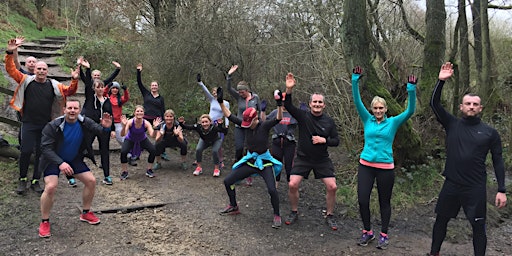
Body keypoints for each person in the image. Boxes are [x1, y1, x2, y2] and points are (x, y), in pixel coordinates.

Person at [427, 62, 507, 256]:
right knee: (441, 221)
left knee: (478, 227)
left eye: (475, 104)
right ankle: (434, 253)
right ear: (461, 106)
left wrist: (501, 190)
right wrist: (441, 82)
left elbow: (498, 160)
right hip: (452, 184)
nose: (471, 107)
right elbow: (434, 104)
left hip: (475, 188)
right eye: (468, 104)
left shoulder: (490, 133)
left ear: (481, 108)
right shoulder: (452, 124)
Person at [351, 66, 417, 249]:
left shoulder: (393, 122)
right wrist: (355, 80)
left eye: (381, 108)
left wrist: (411, 90)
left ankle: (384, 235)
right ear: (372, 109)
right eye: (375, 108)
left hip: (385, 168)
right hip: (366, 165)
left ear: (386, 109)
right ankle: (367, 232)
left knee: (384, 202)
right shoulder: (367, 119)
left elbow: (410, 111)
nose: (378, 110)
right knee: (363, 199)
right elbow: (357, 101)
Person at [5, 38, 79, 194]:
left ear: (47, 71)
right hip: (29, 123)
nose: (41, 71)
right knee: (25, 151)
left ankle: (35, 180)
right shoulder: (26, 80)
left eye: (43, 69)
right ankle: (22, 179)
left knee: (41, 153)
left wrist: (74, 79)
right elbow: (11, 70)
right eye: (38, 69)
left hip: (46, 125)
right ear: (34, 70)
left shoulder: (53, 85)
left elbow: (69, 92)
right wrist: (10, 52)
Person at [38, 98, 112, 238]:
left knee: (91, 181)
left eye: (75, 109)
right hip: (53, 160)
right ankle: (45, 221)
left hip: (73, 158)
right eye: (70, 108)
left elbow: (100, 131)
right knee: (51, 187)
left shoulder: (84, 122)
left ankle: (85, 213)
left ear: (79, 110)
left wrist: (106, 128)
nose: (72, 111)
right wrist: (60, 163)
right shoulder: (53, 126)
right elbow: (45, 148)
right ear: (64, 109)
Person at [217, 87, 284, 229]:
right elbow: (229, 116)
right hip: (251, 160)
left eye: (250, 123)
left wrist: (279, 104)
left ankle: (277, 215)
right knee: (228, 181)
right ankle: (234, 206)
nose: (246, 126)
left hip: (265, 162)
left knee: (272, 189)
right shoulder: (246, 124)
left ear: (256, 118)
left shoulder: (264, 126)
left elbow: (278, 118)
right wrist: (220, 102)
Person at [283, 73, 340, 231]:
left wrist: (325, 140)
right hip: (303, 158)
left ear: (324, 105)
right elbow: (288, 105)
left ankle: (329, 215)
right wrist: (289, 89)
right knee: (292, 184)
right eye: (314, 102)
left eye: (320, 102)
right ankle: (294, 212)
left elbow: (336, 141)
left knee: (332, 187)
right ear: (310, 104)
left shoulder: (329, 122)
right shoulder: (303, 116)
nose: (317, 104)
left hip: (322, 159)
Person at [77, 58, 115, 185]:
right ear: (94, 88)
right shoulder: (90, 98)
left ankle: (107, 176)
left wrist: (112, 129)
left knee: (105, 150)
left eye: (102, 87)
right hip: (90, 126)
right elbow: (87, 83)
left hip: (103, 128)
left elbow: (110, 115)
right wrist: (87, 69)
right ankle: (72, 173)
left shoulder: (107, 100)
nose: (100, 89)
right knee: (83, 148)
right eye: (97, 87)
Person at [226, 65, 261, 185]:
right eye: (239, 92)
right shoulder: (238, 97)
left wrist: (259, 123)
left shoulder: (255, 98)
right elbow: (229, 88)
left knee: (249, 150)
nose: (240, 94)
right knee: (239, 148)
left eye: (242, 92)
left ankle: (248, 174)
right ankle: (237, 170)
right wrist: (229, 75)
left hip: (252, 127)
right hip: (240, 125)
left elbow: (260, 110)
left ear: (247, 90)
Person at [134, 63, 166, 165]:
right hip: (146, 118)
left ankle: (161, 152)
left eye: (155, 85)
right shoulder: (146, 94)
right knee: (139, 134)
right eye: (152, 85)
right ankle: (136, 153)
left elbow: (163, 109)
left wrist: (163, 120)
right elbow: (139, 83)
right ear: (150, 87)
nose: (154, 87)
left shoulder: (161, 98)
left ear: (158, 87)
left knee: (160, 136)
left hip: (157, 119)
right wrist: (139, 71)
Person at [197, 73, 230, 168]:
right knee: (203, 138)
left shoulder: (226, 103)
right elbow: (205, 91)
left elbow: (227, 114)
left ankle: (220, 161)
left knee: (218, 144)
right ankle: (198, 157)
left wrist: (226, 125)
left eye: (216, 92)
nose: (214, 94)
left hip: (218, 124)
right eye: (213, 92)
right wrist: (200, 83)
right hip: (209, 123)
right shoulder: (212, 100)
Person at [119, 105, 157, 179]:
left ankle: (149, 170)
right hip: (130, 139)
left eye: (141, 111)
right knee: (123, 152)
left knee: (153, 150)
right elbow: (122, 134)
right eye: (137, 111)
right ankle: (124, 172)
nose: (139, 113)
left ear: (143, 113)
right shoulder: (130, 122)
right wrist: (124, 126)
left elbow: (153, 135)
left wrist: (155, 128)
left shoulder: (146, 123)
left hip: (142, 139)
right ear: (134, 113)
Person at [268, 101, 298, 184]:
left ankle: (291, 186)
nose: (284, 105)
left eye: (286, 102)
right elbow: (264, 121)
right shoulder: (275, 112)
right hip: (277, 141)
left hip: (289, 143)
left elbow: (304, 122)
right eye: (282, 103)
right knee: (276, 165)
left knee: (289, 166)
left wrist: (304, 112)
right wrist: (262, 111)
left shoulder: (293, 113)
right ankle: (274, 188)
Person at [105, 81, 130, 145]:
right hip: (107, 121)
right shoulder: (107, 97)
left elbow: (126, 98)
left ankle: (128, 151)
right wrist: (107, 86)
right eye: (113, 88)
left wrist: (125, 90)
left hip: (117, 122)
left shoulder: (120, 99)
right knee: (104, 139)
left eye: (116, 88)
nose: (115, 90)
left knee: (121, 138)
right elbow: (103, 93)